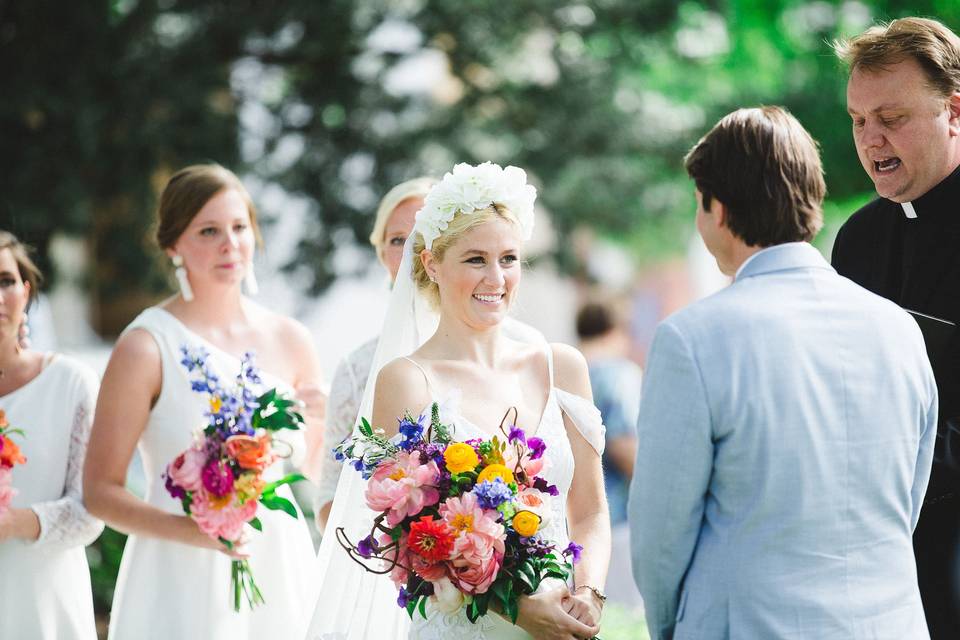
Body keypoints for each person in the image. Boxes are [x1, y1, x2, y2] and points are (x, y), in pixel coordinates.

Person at [629, 106, 937, 640]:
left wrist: (670, 628)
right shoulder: (899, 329)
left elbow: (662, 533)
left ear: (717, 209)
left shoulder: (693, 339)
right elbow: (908, 500)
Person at [306, 162, 610, 639]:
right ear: (430, 264)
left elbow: (590, 509)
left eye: (508, 258)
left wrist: (589, 594)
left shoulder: (562, 367)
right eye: (475, 259)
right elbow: (408, 542)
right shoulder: (406, 380)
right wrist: (522, 611)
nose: (496, 278)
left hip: (564, 624)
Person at [83, 164, 325, 640]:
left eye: (239, 227)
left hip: (278, 561)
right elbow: (100, 491)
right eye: (208, 230)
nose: (229, 244)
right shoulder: (146, 345)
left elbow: (314, 475)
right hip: (179, 571)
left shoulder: (292, 338)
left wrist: (328, 420)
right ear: (174, 245)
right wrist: (197, 533)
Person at [831, 17, 960, 636]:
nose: (870, 137)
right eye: (858, 120)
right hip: (877, 549)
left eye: (892, 117)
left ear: (954, 111)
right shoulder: (856, 239)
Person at [315, 177, 435, 531]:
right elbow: (327, 496)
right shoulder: (357, 369)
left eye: (426, 236)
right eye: (399, 240)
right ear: (381, 252)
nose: (414, 251)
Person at [0, 231, 103, 640]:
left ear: (25, 292)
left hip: (45, 604)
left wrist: (9, 523)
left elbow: (89, 512)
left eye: (5, 281)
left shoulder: (70, 383)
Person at [575, 301, 643, 609]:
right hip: (616, 515)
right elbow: (623, 443)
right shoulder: (618, 373)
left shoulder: (563, 368)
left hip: (571, 520)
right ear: (617, 330)